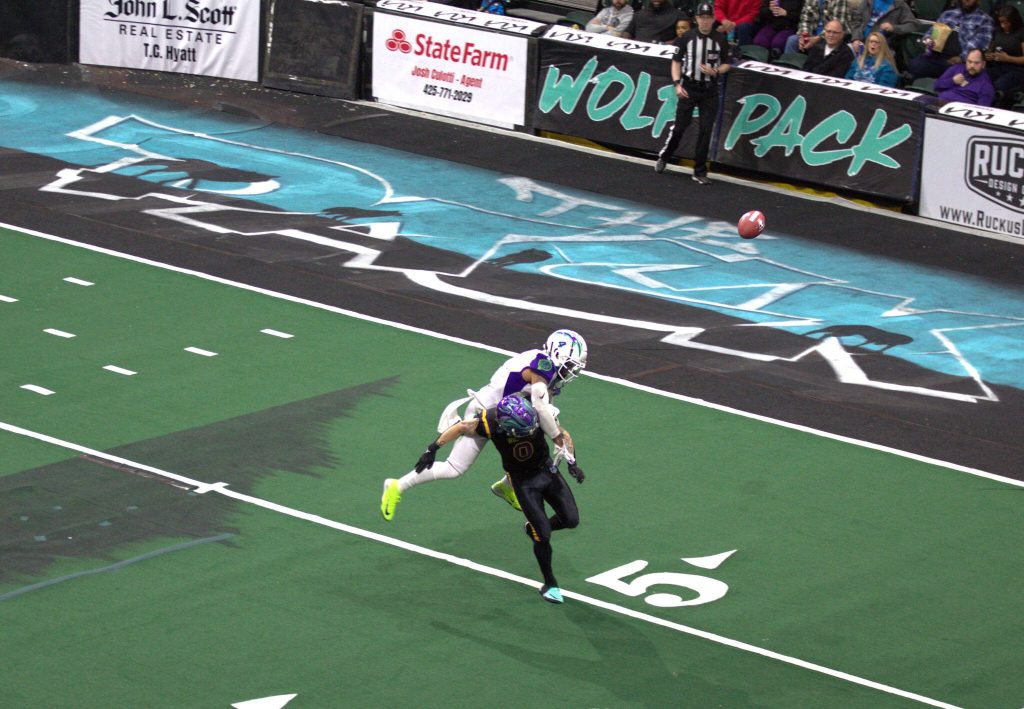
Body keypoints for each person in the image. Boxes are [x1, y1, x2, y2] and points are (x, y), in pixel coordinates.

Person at [380, 329, 588, 521]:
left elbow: (545, 409)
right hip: (484, 414)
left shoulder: (543, 365)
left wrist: (569, 454)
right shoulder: (543, 366)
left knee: (535, 450)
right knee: (454, 468)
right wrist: (558, 438)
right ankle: (397, 485)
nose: (570, 371)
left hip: (505, 416)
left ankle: (507, 486)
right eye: (570, 365)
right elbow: (541, 409)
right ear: (558, 354)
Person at [411, 394, 585, 603]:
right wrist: (432, 448)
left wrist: (572, 461)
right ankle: (550, 582)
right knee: (544, 536)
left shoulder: (536, 413)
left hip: (547, 471)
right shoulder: (491, 422)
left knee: (571, 519)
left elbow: (562, 434)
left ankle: (533, 530)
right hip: (524, 483)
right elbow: (462, 427)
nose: (530, 431)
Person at [653, 2, 731, 185]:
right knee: (680, 127)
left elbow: (728, 62)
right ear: (696, 19)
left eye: (708, 18)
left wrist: (717, 71)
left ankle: (700, 170)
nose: (705, 21)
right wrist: (677, 84)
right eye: (702, 18)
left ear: (713, 19)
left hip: (710, 90)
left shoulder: (720, 39)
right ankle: (664, 156)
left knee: (706, 130)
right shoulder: (687, 37)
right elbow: (676, 61)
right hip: (689, 86)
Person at [906, 0, 995, 80]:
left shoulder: (985, 20)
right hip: (937, 57)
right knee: (915, 64)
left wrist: (962, 58)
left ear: (978, 1)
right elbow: (930, 33)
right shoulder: (948, 14)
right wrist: (928, 41)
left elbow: (980, 44)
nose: (966, 1)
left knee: (961, 74)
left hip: (961, 63)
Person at [782, 0, 860, 55]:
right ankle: (789, 69)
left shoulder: (841, 1)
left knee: (819, 46)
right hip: (812, 35)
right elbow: (805, 18)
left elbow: (837, 26)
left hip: (833, 37)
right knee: (792, 40)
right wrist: (804, 36)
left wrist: (815, 39)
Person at [985, 5, 1024, 108]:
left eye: (1006, 22)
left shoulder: (1021, 33)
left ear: (1013, 21)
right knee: (981, 76)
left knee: (999, 85)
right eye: (1001, 22)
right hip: (997, 67)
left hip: (1016, 70)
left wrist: (1008, 58)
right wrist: (989, 55)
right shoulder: (997, 31)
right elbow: (990, 48)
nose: (1003, 25)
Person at [848, 0, 917, 55]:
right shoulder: (868, 1)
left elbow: (913, 25)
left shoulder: (900, 5)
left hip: (883, 47)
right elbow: (856, 21)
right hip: (861, 42)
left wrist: (893, 28)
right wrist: (856, 38)